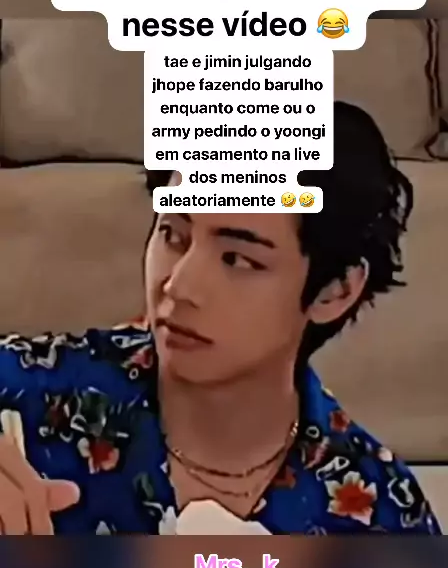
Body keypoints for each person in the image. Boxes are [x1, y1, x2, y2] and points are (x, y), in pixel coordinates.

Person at [0, 101, 440, 535]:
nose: (179, 286)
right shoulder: (28, 393)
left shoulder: (384, 514)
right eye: (173, 234)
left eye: (238, 259)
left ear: (336, 290)